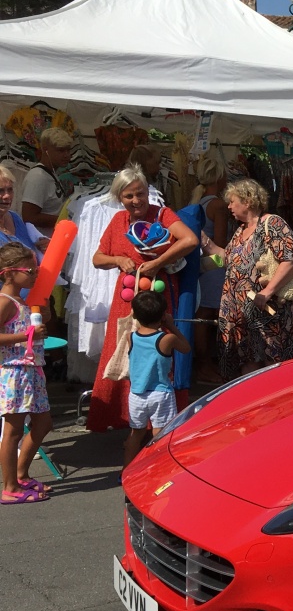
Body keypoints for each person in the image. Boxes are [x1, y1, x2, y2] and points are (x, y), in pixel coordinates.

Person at [87, 165, 198, 432]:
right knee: (125, 352)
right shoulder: (117, 222)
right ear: (120, 198)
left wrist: (158, 262)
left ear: (148, 192)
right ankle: (128, 418)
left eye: (140, 194)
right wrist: (117, 259)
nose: (136, 201)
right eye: (129, 196)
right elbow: (97, 259)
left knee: (157, 354)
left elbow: (190, 240)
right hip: (126, 300)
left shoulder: (163, 215)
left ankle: (159, 421)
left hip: (158, 298)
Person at [205, 179, 293, 378]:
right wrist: (203, 241)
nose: (229, 206)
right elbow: (228, 259)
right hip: (242, 316)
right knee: (248, 364)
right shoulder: (241, 230)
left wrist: (266, 292)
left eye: (233, 201)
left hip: (266, 311)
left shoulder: (272, 223)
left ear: (247, 201)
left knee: (272, 364)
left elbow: (290, 259)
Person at [0, 243, 51, 503]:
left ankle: (21, 474)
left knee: (44, 423)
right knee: (13, 430)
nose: (35, 275)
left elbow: (45, 322)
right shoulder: (5, 302)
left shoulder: (24, 300)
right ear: (9, 273)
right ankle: (10, 487)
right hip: (14, 372)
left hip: (32, 371)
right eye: (30, 271)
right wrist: (25, 335)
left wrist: (45, 303)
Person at [122, 290, 190, 467]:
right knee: (160, 434)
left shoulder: (131, 337)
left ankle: (126, 470)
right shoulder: (167, 339)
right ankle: (157, 468)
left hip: (137, 394)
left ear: (135, 315)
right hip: (161, 394)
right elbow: (186, 348)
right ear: (163, 315)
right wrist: (172, 325)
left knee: (135, 434)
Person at [191, 154, 228, 383]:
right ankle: (205, 365)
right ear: (220, 177)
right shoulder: (218, 205)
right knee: (207, 315)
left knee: (202, 314)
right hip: (214, 265)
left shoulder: (198, 202)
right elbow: (220, 244)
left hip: (200, 266)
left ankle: (203, 364)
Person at [19, 126, 73, 232]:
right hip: (41, 243)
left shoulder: (50, 173)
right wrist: (66, 220)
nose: (67, 155)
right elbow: (29, 217)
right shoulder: (38, 177)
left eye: (68, 150)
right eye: (61, 150)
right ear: (45, 150)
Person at [0, 164, 50, 258]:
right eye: (0, 191)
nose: (7, 196)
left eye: (10, 190)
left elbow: (27, 250)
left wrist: (41, 246)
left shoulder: (15, 218)